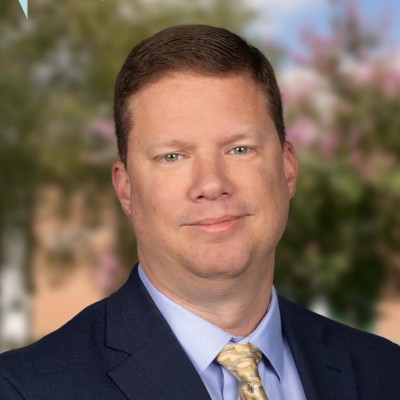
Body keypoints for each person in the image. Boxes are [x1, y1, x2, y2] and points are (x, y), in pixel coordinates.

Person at [0, 24, 399, 400]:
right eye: (172, 156)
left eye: (239, 149)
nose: (211, 184)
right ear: (126, 188)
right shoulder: (25, 389)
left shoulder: (384, 371)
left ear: (288, 168)